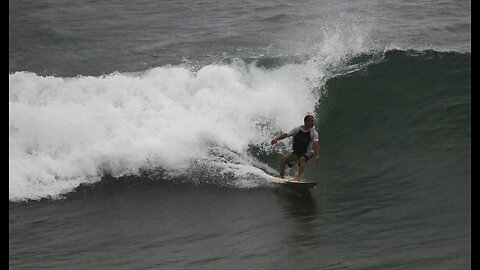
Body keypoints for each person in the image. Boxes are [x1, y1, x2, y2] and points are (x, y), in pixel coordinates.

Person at [270, 114, 320, 181]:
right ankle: (281, 176)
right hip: (297, 152)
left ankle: (298, 177)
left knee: (302, 159)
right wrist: (276, 139)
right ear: (306, 122)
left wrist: (317, 155)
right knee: (283, 159)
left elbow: (316, 144)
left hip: (309, 152)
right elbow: (286, 135)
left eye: (313, 121)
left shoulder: (313, 133)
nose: (314, 122)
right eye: (312, 121)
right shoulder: (297, 129)